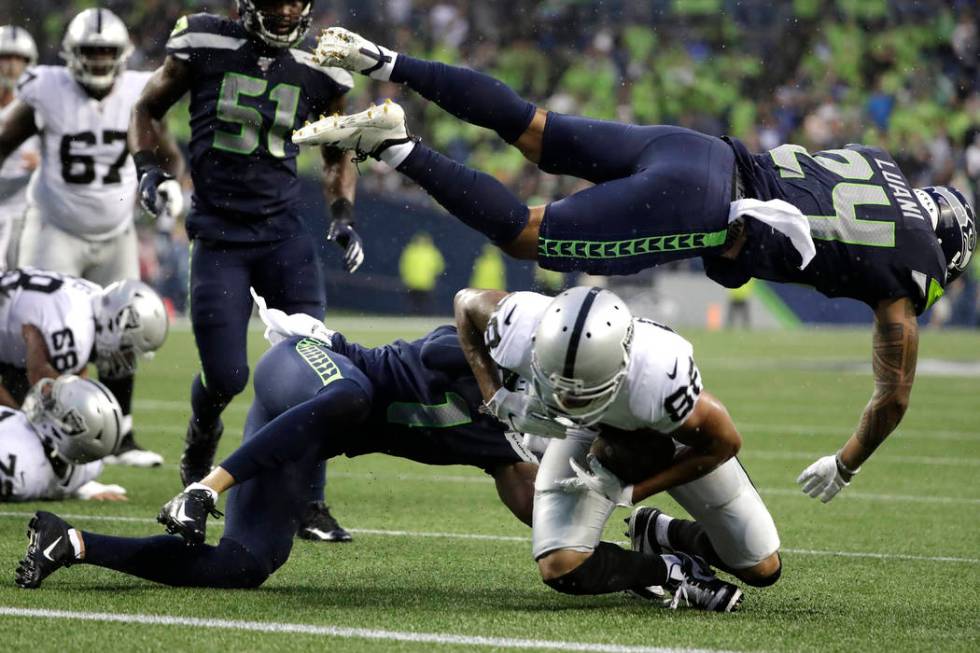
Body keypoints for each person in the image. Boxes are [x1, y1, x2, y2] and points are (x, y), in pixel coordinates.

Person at [296, 27, 977, 503]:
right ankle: (395, 147)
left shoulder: (881, 165)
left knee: (533, 130)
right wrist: (848, 462)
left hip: (702, 151)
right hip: (711, 205)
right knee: (528, 235)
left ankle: (388, 61)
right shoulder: (914, 266)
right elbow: (895, 397)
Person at [15, 318, 540, 590]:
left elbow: (540, 511)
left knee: (241, 566)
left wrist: (604, 510)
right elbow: (439, 346)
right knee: (351, 399)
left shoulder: (505, 442)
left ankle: (72, 542)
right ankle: (202, 488)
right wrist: (506, 376)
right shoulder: (488, 358)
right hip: (313, 367)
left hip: (303, 431)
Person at [130, 1, 364, 541]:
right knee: (227, 376)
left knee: (315, 367)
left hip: (283, 234)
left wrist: (343, 213)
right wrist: (148, 167)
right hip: (220, 235)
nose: (284, 11)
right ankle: (201, 435)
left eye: (294, 1)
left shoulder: (324, 62)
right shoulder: (204, 40)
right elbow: (147, 109)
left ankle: (310, 500)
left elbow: (337, 149)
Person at [453, 286, 781, 611]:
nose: (566, 400)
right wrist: (496, 396)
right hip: (582, 431)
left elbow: (724, 444)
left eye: (582, 392)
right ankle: (671, 569)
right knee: (561, 565)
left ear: (622, 366)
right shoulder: (519, 325)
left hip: (660, 433)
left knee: (761, 567)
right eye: (557, 385)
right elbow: (465, 304)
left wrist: (633, 492)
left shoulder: (657, 381)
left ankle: (663, 531)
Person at [0, 9, 184, 467]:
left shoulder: (135, 92)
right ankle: (39, 430)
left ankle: (119, 433)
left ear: (122, 56)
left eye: (106, 52)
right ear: (70, 55)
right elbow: (4, 138)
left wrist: (168, 184)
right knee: (45, 332)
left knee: (121, 333)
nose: (99, 60)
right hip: (54, 228)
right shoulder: (47, 88)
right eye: (90, 52)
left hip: (115, 229)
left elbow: (169, 153)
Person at [0, 269, 168, 439]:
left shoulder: (93, 295)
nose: (126, 359)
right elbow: (45, 385)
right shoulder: (76, 333)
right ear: (114, 323)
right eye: (128, 350)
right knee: (23, 430)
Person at [1, 375, 127, 502]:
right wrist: (82, 487)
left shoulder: (18, 466)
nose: (45, 400)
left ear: (67, 428)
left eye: (52, 403)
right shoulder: (87, 467)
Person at [0, 26, 39, 270]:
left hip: (28, 210)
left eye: (18, 59)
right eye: (5, 58)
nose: (11, 67)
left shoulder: (41, 105)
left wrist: (44, 163)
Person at [398, 232, 444, 315]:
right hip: (425, 282)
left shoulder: (410, 251)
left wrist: (406, 278)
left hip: (413, 282)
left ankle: (414, 316)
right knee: (425, 303)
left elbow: (403, 266)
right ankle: (425, 317)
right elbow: (439, 267)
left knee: (414, 303)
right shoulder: (432, 252)